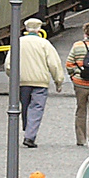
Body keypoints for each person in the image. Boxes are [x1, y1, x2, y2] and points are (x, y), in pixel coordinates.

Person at [17, 18, 64, 148]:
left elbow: (9, 64)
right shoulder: (45, 44)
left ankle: (28, 129)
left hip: (22, 82)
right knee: (37, 108)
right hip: (40, 82)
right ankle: (30, 136)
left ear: (26, 29)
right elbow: (54, 64)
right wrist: (58, 81)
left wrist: (15, 77)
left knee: (25, 106)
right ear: (39, 29)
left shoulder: (18, 42)